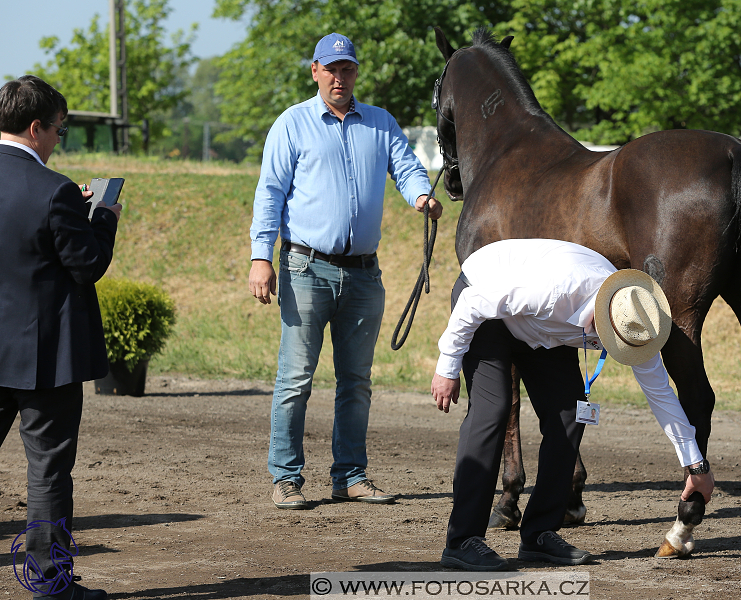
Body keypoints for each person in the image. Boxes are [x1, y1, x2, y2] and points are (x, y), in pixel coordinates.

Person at [431, 239, 715, 571]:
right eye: (609, 339)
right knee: (492, 410)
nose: (611, 348)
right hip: (487, 302)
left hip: (541, 328)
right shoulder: (558, 290)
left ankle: (539, 533)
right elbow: (472, 302)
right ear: (600, 313)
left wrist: (696, 466)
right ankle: (462, 540)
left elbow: (661, 394)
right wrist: (447, 366)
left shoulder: (637, 318)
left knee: (569, 412)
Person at [249, 33, 443, 510]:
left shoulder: (379, 123)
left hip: (362, 274)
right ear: (315, 70)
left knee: (356, 381)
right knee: (296, 378)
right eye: (331, 69)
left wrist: (421, 195)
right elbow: (270, 191)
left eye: (348, 69)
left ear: (356, 73)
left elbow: (406, 166)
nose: (340, 77)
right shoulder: (292, 124)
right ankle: (286, 477)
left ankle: (351, 476)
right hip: (305, 267)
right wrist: (260, 256)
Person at [0, 76, 121, 600]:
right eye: (58, 130)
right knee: (48, 471)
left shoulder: (59, 191)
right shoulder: (56, 189)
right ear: (35, 128)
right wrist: (104, 220)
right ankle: (49, 583)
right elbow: (86, 265)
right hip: (45, 357)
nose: (57, 140)